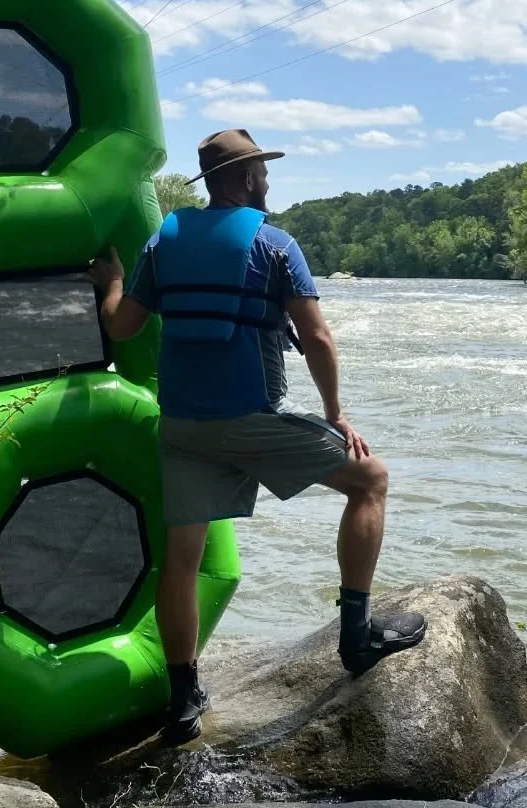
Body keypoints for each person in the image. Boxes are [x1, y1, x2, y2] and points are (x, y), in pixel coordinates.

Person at [89, 129, 426, 743]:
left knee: (183, 560)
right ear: (246, 178)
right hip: (248, 422)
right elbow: (318, 338)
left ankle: (184, 699)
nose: (268, 182)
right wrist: (335, 413)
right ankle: (357, 637)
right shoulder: (274, 245)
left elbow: (122, 325)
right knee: (369, 480)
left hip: (183, 427)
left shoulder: (161, 242)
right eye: (263, 173)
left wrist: (110, 281)